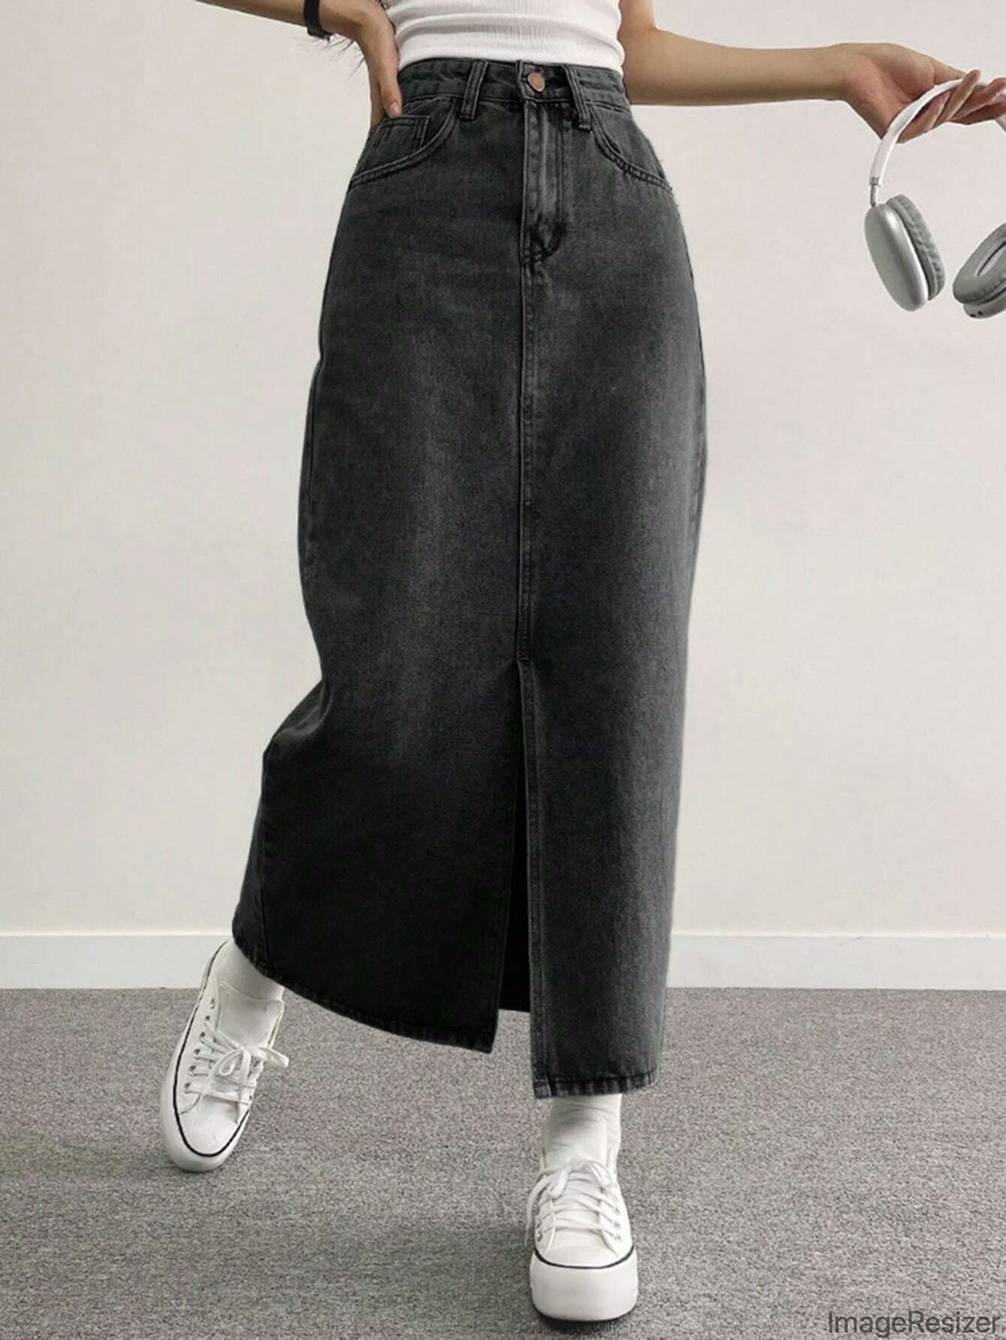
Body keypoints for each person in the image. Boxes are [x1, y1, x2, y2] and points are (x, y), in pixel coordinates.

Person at [160, 0, 1006, 1322]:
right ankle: (262, 953)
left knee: (615, 668)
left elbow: (631, 44)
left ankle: (582, 1148)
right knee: (400, 655)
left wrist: (841, 68)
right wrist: (339, 10)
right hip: (424, 185)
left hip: (613, 198)